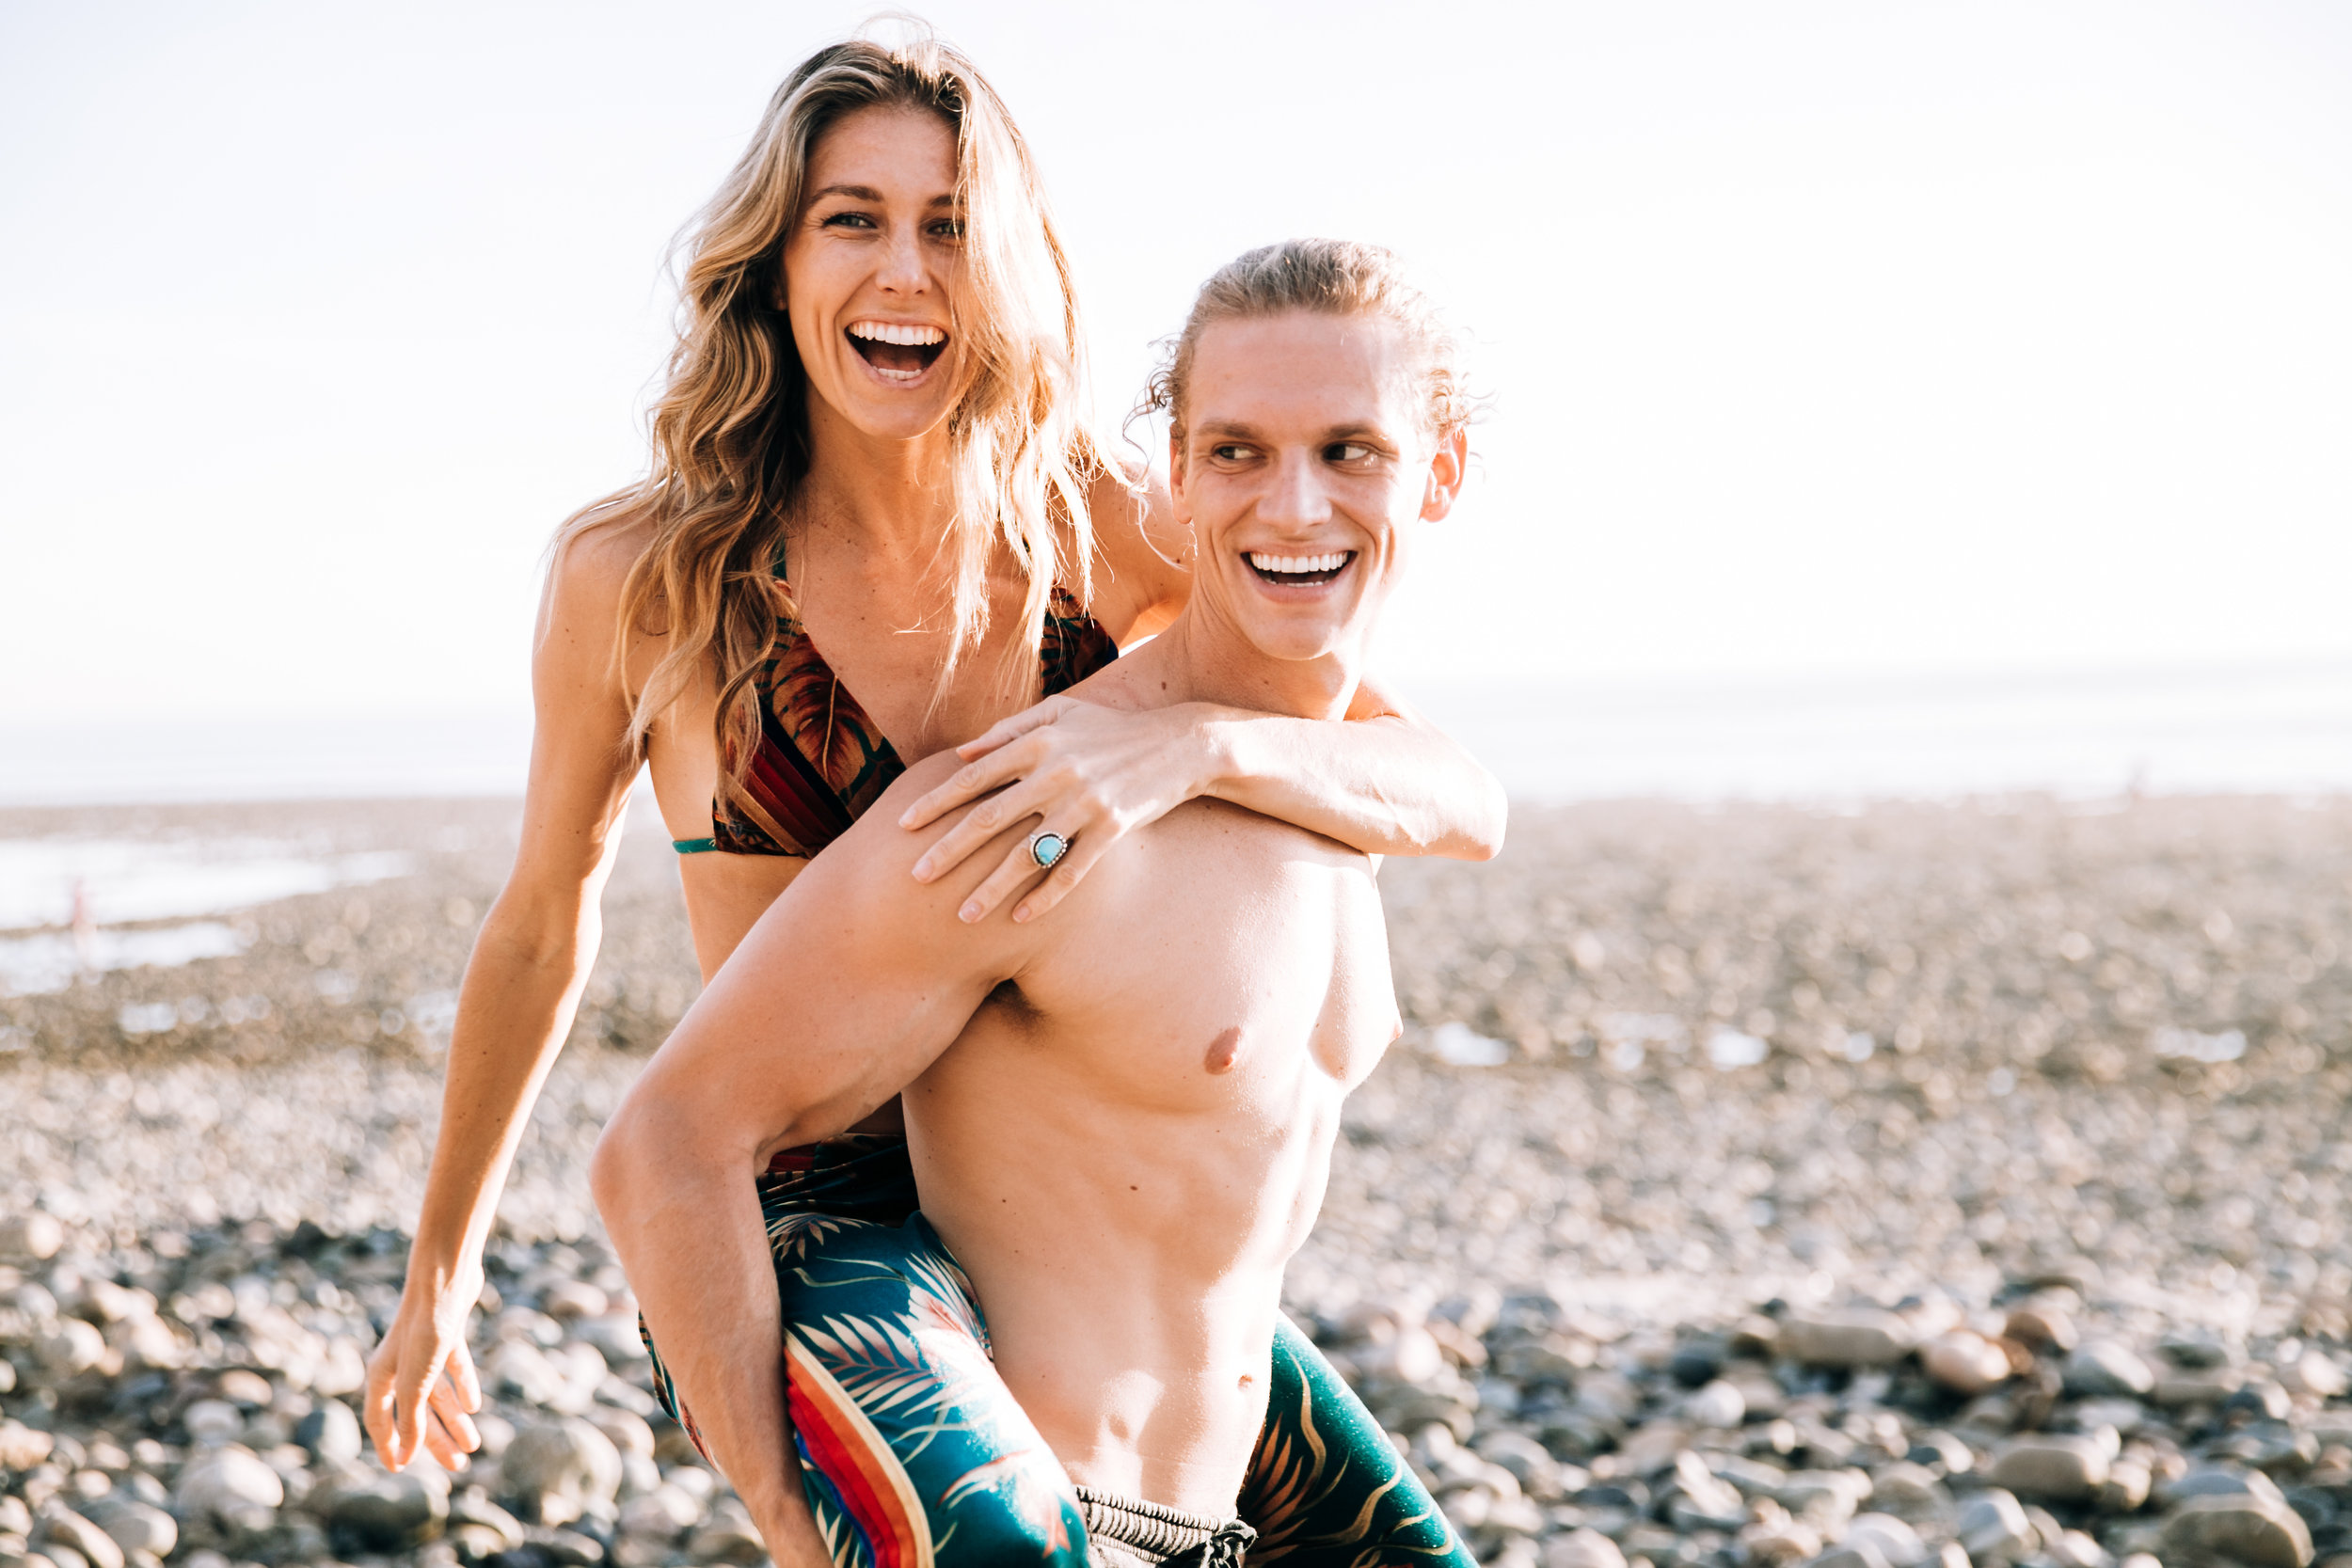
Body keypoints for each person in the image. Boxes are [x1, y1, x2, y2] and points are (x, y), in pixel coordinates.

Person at [362, 24, 1500, 1567]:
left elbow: (1423, 773)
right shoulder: (644, 579)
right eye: (856, 220)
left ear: (1010, 270)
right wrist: (444, 1275)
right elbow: (539, 928)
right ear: (776, 261)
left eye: (952, 228)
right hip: (796, 1204)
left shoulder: (1103, 536)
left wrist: (1200, 747)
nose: (907, 272)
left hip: (1042, 1206)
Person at [595, 236, 1476, 1567]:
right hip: (1052, 1526)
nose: (1294, 507)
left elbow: (1472, 804)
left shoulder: (1330, 780)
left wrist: (1216, 745)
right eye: (1235, 452)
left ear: (1441, 475)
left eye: (1349, 450)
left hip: (1228, 1528)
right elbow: (663, 1143)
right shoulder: (1037, 808)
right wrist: (793, 1520)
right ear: (1172, 476)